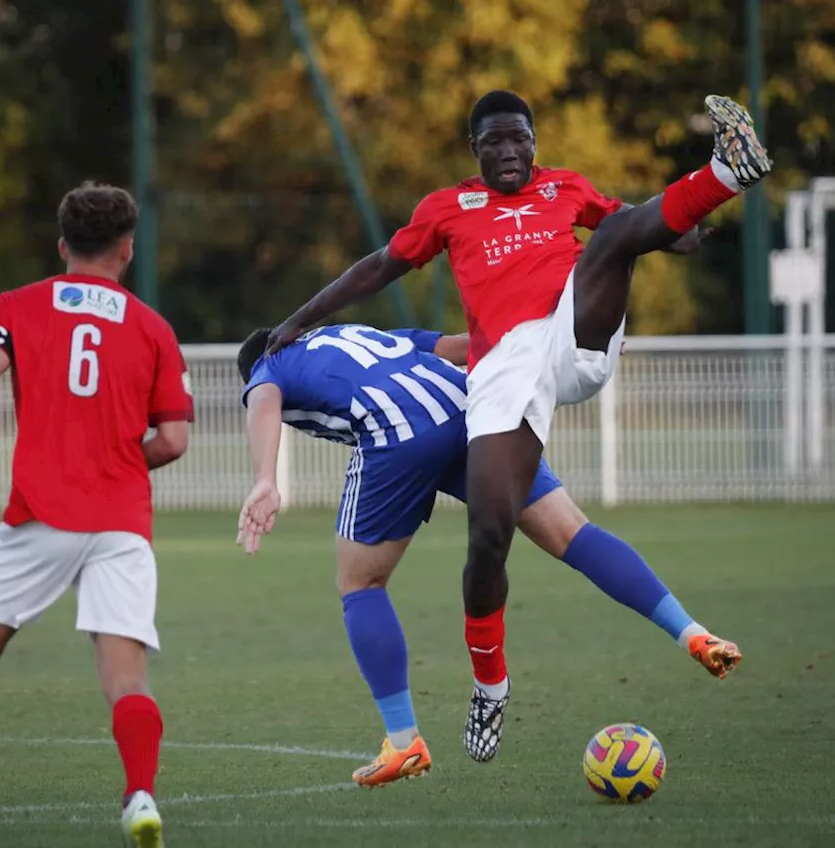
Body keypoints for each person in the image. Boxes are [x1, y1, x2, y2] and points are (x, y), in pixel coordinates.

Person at [263, 93, 765, 763]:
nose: (509, 151)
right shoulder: (446, 208)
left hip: (570, 337)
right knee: (490, 539)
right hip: (501, 374)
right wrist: (299, 319)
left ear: (535, 141)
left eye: (519, 139)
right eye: (494, 142)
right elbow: (380, 266)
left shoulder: (566, 187)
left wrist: (687, 226)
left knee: (615, 235)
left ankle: (728, 173)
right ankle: (490, 688)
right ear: (476, 150)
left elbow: (637, 228)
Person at [235, 323, 741, 784]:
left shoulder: (269, 363)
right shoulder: (357, 334)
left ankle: (403, 741)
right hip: (474, 409)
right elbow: (467, 345)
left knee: (360, 585)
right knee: (573, 532)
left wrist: (264, 479)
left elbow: (262, 397)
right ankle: (694, 634)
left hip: (399, 432)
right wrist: (566, 346)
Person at [0, 183, 193, 848]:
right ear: (127, 249)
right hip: (120, 523)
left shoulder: (16, 307)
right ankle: (140, 795)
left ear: (62, 246)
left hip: (40, 517)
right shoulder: (153, 328)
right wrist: (117, 458)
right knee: (125, 675)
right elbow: (172, 439)